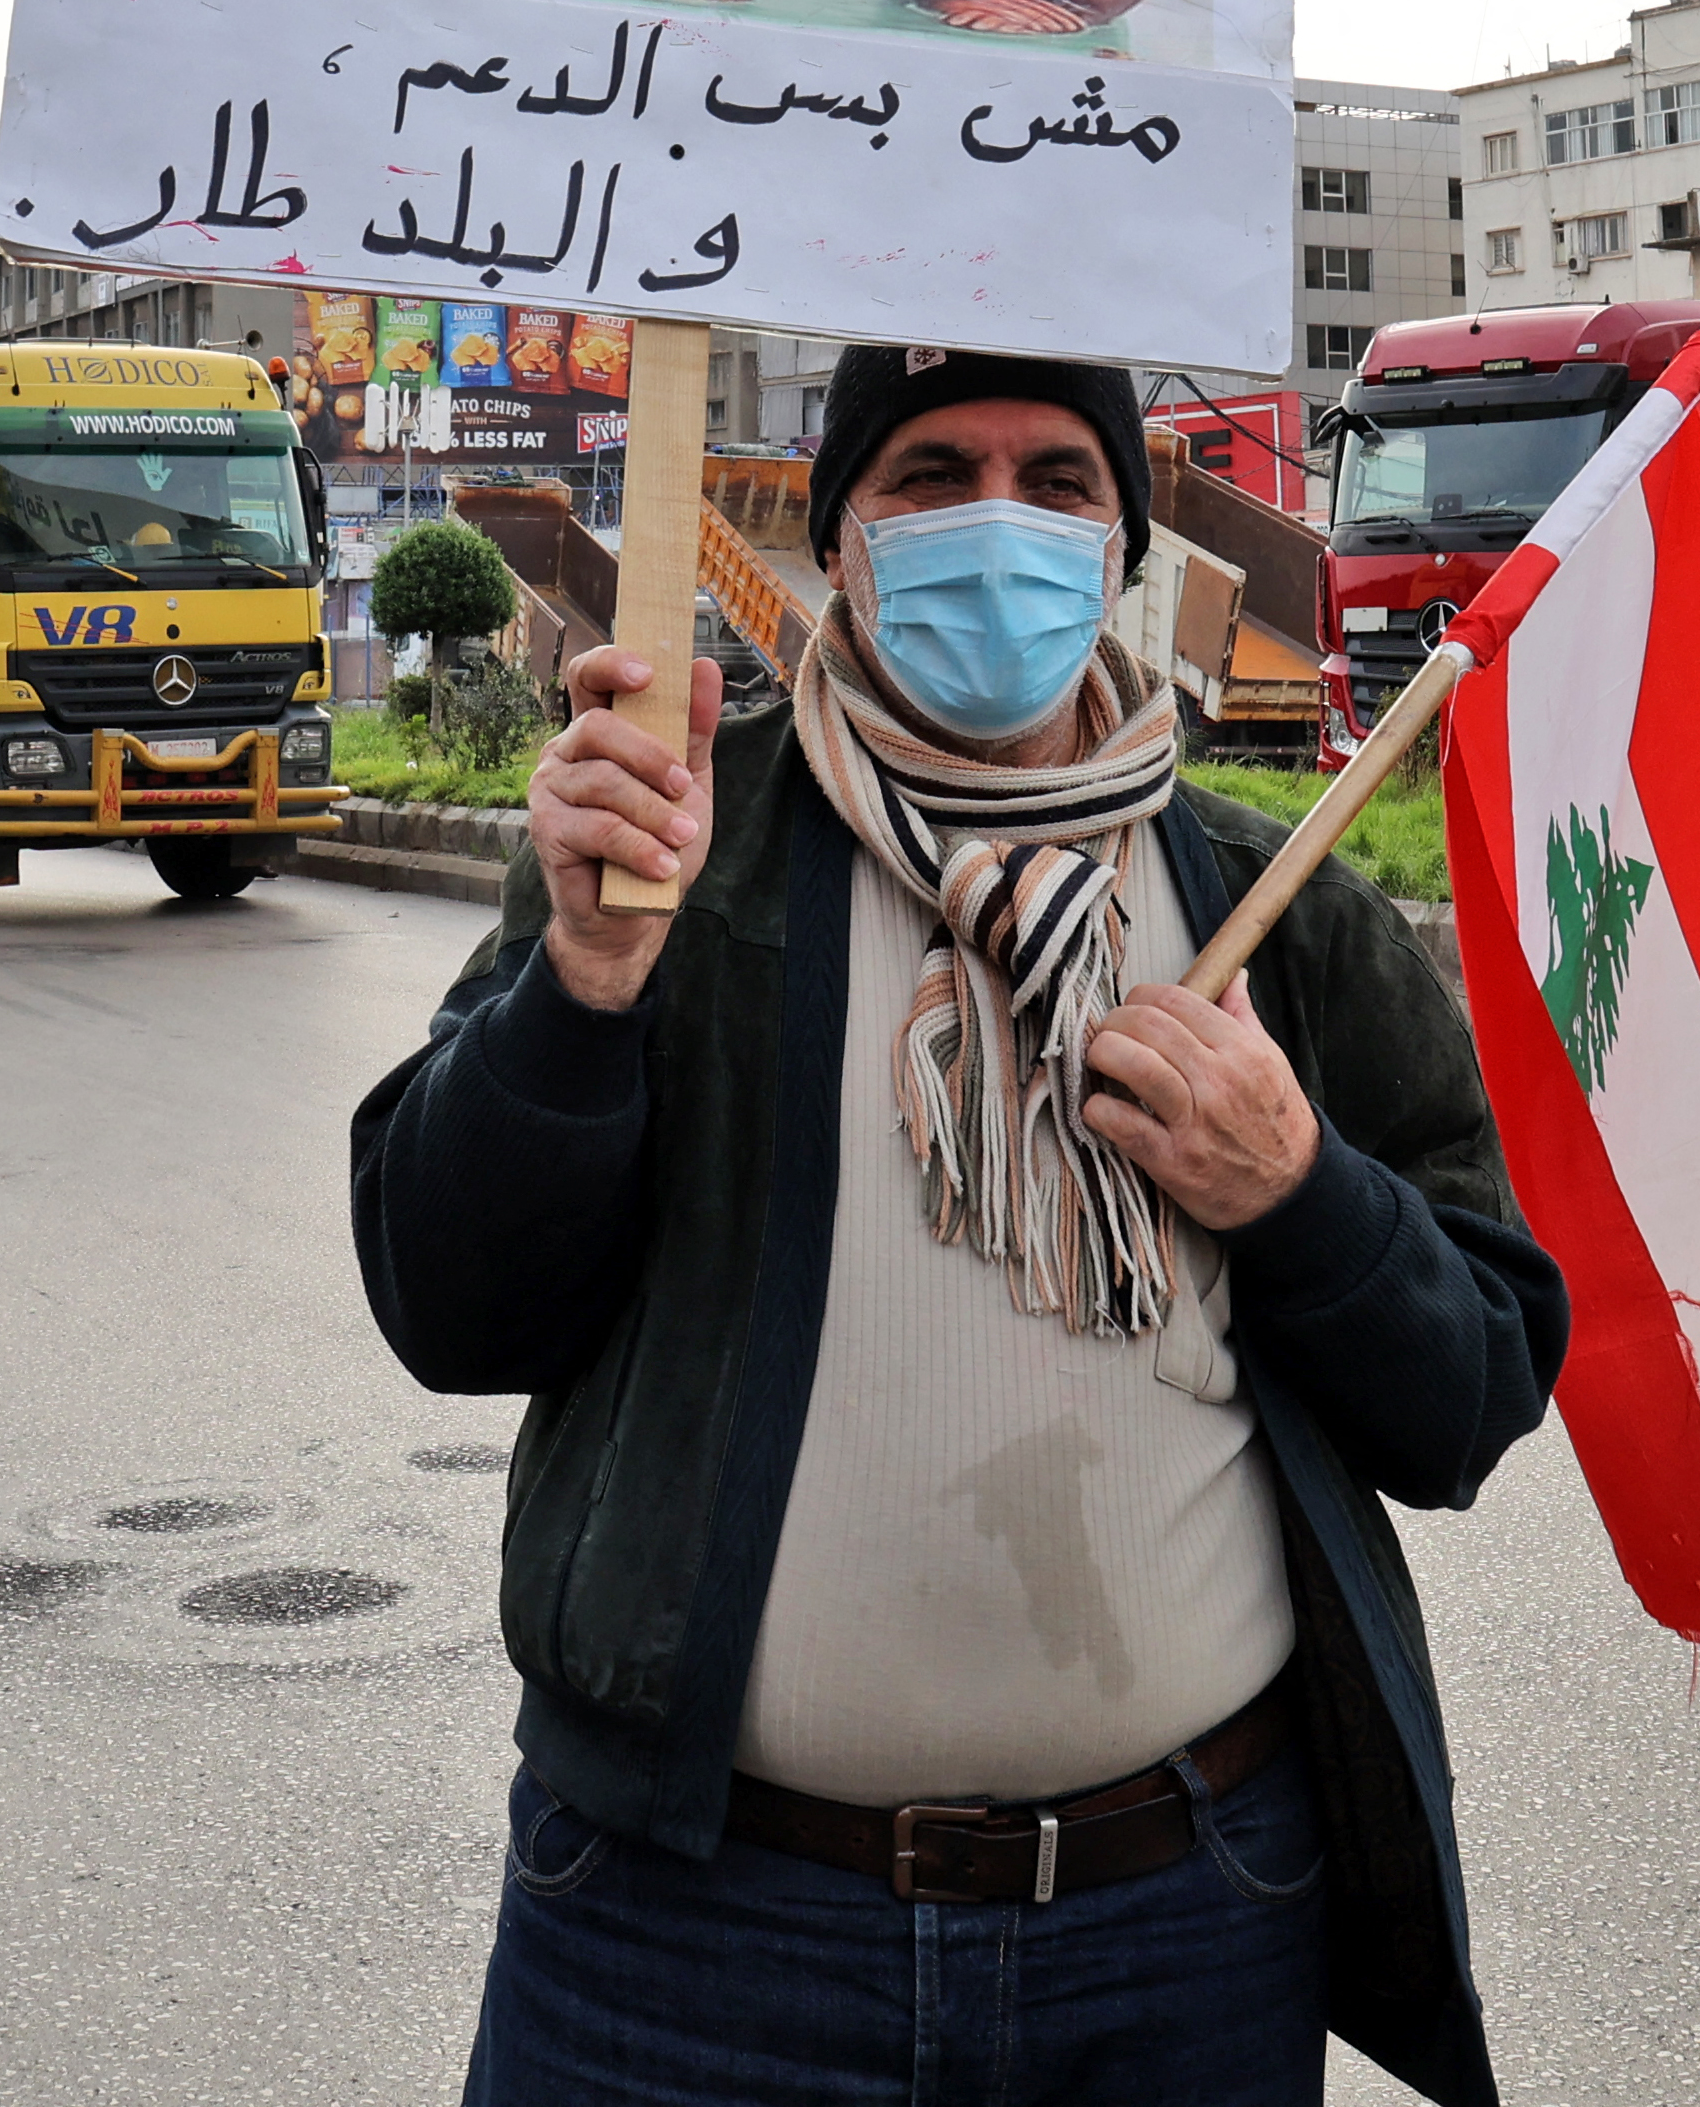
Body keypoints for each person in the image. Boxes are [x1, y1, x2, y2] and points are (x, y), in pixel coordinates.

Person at [349, 346, 1570, 2107]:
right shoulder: (671, 856)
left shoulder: (1272, 908)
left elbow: (1468, 1393)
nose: (996, 520)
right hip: (683, 1949)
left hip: (1182, 1938)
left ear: (1120, 544)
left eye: (1057, 478)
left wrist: (1297, 1191)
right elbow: (449, 1306)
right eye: (928, 474)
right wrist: (585, 984)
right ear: (837, 536)